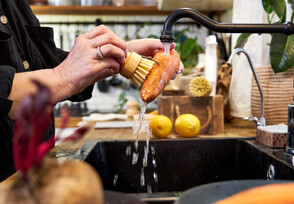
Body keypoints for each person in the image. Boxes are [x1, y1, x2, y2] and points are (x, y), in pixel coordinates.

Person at [0, 0, 181, 181]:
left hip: (37, 173)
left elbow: (46, 67)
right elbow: (58, 74)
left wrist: (124, 55)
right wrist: (63, 76)